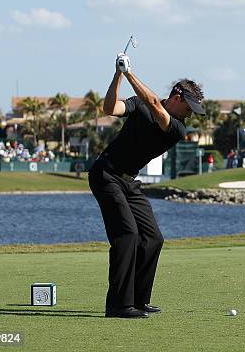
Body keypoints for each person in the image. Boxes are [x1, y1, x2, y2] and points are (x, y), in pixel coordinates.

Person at [88, 52, 205, 319]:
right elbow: (110, 108)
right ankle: (118, 304)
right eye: (189, 108)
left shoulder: (177, 127)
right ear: (177, 98)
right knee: (127, 235)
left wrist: (129, 72)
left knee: (153, 238)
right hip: (105, 174)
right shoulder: (138, 105)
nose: (190, 114)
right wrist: (118, 74)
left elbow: (153, 102)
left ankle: (139, 300)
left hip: (128, 181)